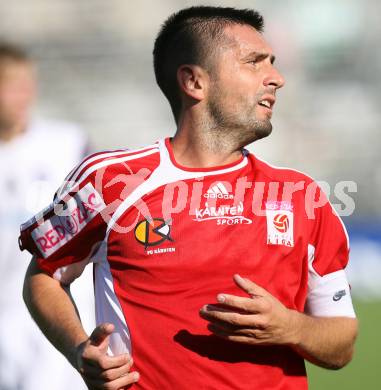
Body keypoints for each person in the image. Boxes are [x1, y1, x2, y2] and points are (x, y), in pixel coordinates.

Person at [19, 7, 358, 390]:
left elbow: (342, 342)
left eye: (273, 63)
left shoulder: (303, 198)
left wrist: (290, 327)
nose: (276, 78)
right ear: (194, 82)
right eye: (254, 62)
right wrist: (79, 349)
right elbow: (44, 275)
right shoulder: (109, 181)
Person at [0, 42, 92, 389]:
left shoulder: (69, 144)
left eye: (28, 84)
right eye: (12, 86)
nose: (24, 96)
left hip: (58, 311)